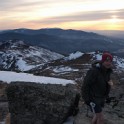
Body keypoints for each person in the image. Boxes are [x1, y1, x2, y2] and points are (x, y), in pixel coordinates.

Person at [81, 52, 113, 124]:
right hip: (93, 99)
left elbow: (105, 85)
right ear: (102, 61)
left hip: (100, 99)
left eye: (110, 61)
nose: (108, 63)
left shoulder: (107, 72)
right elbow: (85, 86)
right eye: (106, 61)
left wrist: (106, 97)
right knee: (101, 119)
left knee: (96, 116)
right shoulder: (94, 71)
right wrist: (87, 100)